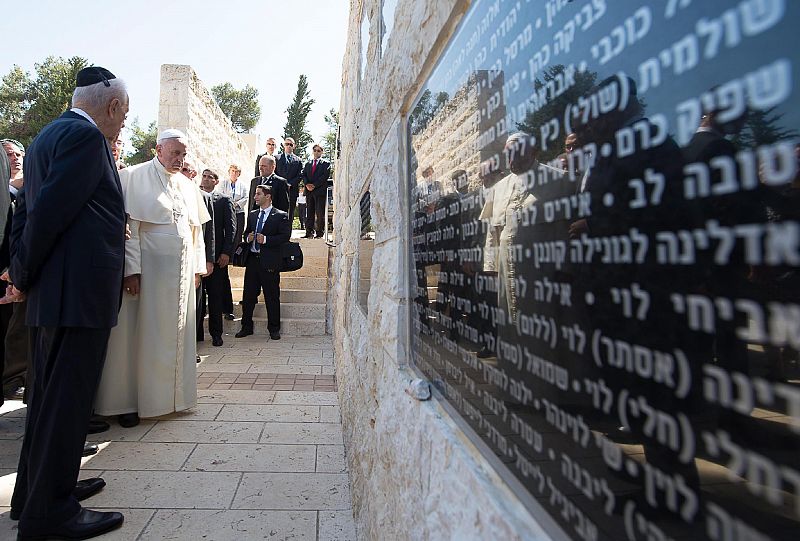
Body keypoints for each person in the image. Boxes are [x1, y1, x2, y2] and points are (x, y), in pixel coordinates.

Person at [6, 65, 127, 540]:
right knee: (66, 403)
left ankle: (35, 493)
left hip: (55, 294)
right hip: (76, 296)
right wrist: (22, 274)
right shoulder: (86, 138)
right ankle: (49, 514)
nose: (123, 122)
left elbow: (27, 210)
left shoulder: (46, 136)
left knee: (48, 402)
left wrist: (21, 272)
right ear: (112, 106)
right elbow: (49, 215)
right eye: (124, 113)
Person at [94, 129, 210, 426]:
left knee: (177, 336)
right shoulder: (133, 177)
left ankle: (173, 397)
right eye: (175, 153)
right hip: (147, 277)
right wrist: (131, 270)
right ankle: (129, 402)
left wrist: (197, 268)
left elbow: (195, 232)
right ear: (158, 150)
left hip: (180, 279)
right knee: (137, 338)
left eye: (183, 154)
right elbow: (129, 230)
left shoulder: (187, 185)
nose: (180, 159)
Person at [236, 185, 290, 340]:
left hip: (270, 262)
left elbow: (284, 237)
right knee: (248, 296)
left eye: (258, 194)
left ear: (268, 196)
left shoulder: (280, 215)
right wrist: (248, 238)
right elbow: (246, 233)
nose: (255, 197)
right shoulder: (253, 215)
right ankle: (246, 327)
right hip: (252, 261)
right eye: (255, 194)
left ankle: (274, 329)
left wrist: (266, 240)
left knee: (271, 296)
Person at [199, 169, 236, 346]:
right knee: (198, 300)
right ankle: (197, 334)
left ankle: (216, 334)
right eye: (204, 176)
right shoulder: (195, 197)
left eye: (210, 177)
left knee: (215, 297)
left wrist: (226, 253)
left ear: (216, 181)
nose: (206, 179)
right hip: (198, 256)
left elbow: (231, 229)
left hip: (217, 258)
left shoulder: (223, 200)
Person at [215, 164, 247, 319]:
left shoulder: (242, 185)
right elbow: (221, 196)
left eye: (236, 171)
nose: (234, 173)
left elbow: (245, 198)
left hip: (238, 211)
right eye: (232, 171)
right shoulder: (223, 184)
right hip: (226, 211)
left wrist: (235, 204)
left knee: (236, 235)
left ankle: (233, 255)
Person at [301, 143, 331, 238]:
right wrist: (307, 184)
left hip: (319, 192)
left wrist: (314, 185)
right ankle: (309, 232)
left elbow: (324, 176)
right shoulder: (308, 163)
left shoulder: (326, 164)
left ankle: (319, 233)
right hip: (309, 192)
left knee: (319, 213)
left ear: (322, 152)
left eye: (319, 150)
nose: (316, 152)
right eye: (315, 150)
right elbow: (303, 174)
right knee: (309, 212)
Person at [275, 137, 302, 225]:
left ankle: (287, 232)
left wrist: (290, 184)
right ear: (283, 145)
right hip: (278, 190)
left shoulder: (298, 160)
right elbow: (274, 173)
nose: (289, 146)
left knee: (290, 214)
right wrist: (282, 183)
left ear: (294, 146)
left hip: (292, 191)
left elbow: (300, 175)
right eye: (287, 144)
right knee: (277, 213)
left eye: (291, 144)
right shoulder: (277, 158)